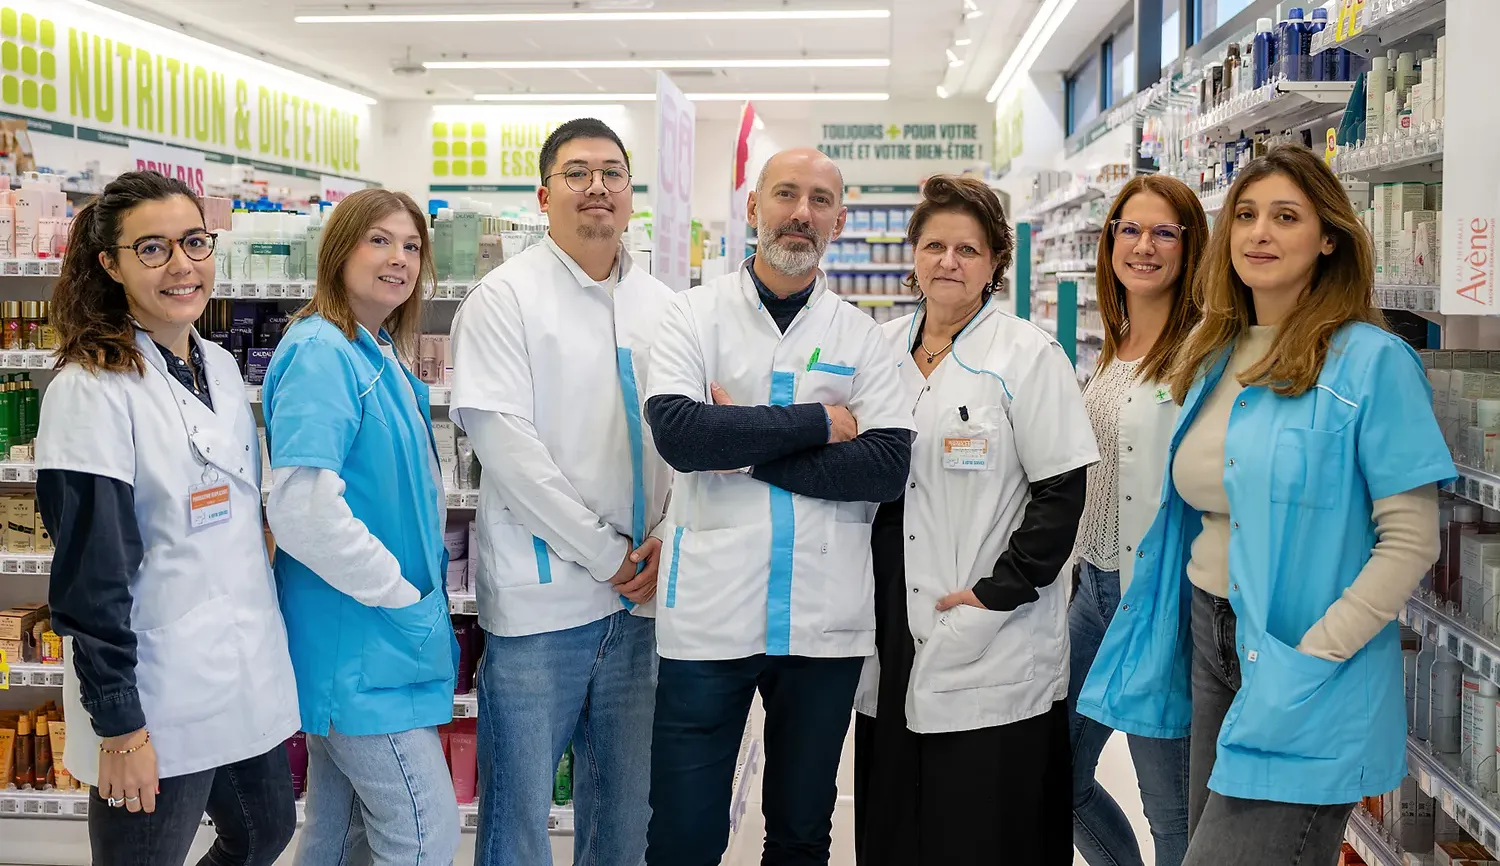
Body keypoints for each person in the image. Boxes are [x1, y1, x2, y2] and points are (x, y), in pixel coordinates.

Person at [1077, 145, 1453, 866]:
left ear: (1329, 237)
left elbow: (1409, 539)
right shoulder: (1215, 354)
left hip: (1303, 654)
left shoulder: (1372, 361)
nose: (1259, 233)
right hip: (1208, 635)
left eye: (1286, 217)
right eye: (1245, 215)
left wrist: (1315, 656)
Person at [643, 147, 914, 866]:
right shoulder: (692, 316)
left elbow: (886, 467)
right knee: (681, 833)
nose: (802, 213)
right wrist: (823, 424)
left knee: (801, 833)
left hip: (823, 624)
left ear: (840, 220)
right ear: (753, 207)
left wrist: (740, 441)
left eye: (820, 201)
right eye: (786, 195)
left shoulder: (863, 334)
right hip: (709, 614)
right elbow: (680, 433)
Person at [36, 171, 299, 865]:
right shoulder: (90, 389)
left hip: (238, 670)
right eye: (151, 249)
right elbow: (90, 577)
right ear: (110, 264)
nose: (182, 265)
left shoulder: (213, 361)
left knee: (264, 831)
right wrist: (121, 727)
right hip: (154, 688)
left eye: (194, 242)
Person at [850, 174, 1097, 866]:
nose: (948, 262)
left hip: (991, 621)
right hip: (891, 611)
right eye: (934, 246)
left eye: (967, 249)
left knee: (985, 825)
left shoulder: (1027, 355)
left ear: (994, 263)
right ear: (914, 255)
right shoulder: (880, 349)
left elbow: (1060, 495)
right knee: (895, 818)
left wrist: (999, 593)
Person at [448, 117, 674, 866]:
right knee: (518, 825)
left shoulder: (662, 305)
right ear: (544, 196)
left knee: (624, 819)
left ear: (630, 194)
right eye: (577, 173)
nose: (597, 187)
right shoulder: (504, 299)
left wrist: (664, 542)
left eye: (612, 172)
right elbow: (509, 452)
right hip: (545, 609)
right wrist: (609, 554)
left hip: (640, 605)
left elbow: (685, 438)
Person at [262, 187, 460, 866]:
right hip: (361, 645)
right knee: (424, 834)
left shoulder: (373, 353)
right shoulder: (322, 351)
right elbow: (302, 511)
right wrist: (401, 596)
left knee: (338, 835)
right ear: (340, 250)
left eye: (411, 246)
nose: (398, 258)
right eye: (379, 240)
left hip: (369, 644)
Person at [1068, 175, 1205, 866]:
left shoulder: (1204, 351)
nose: (1143, 246)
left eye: (1163, 232)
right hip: (1091, 588)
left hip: (1158, 596)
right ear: (1109, 240)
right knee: (1054, 775)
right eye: (1129, 229)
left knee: (1172, 811)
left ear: (1190, 248)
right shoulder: (1114, 345)